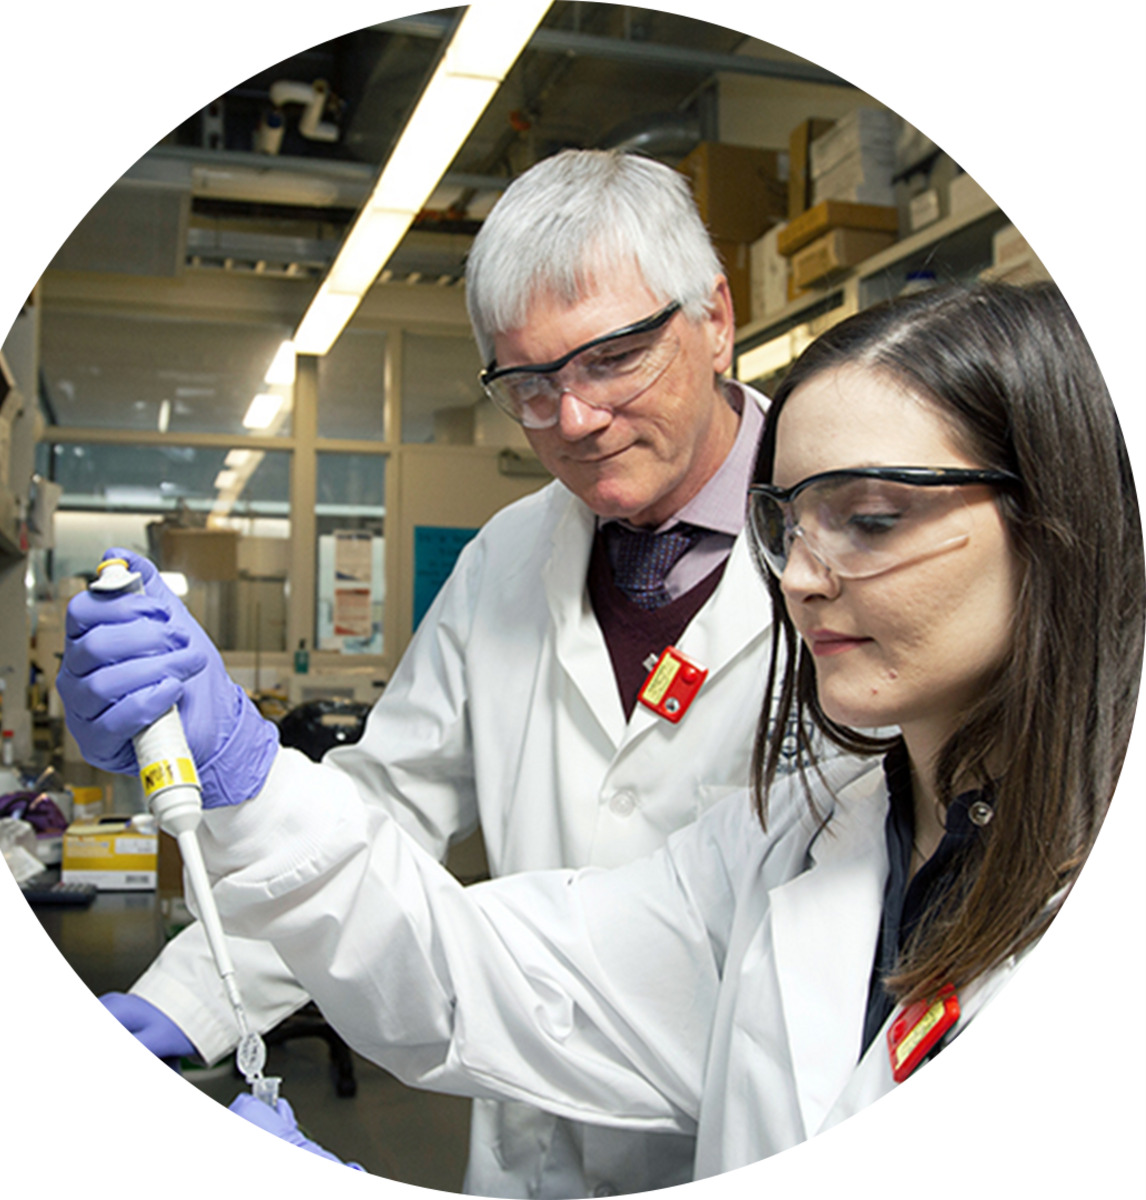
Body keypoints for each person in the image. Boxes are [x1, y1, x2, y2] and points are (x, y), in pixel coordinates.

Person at [62, 280, 1143, 1178]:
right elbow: (483, 973)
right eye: (791, 523)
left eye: (868, 520)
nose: (803, 580)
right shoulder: (804, 842)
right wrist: (244, 773)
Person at [59, 148, 790, 1197]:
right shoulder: (508, 554)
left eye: (613, 357)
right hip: (528, 1135)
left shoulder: (849, 549)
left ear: (716, 314)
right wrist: (195, 993)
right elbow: (382, 814)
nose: (573, 419)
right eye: (530, 384)